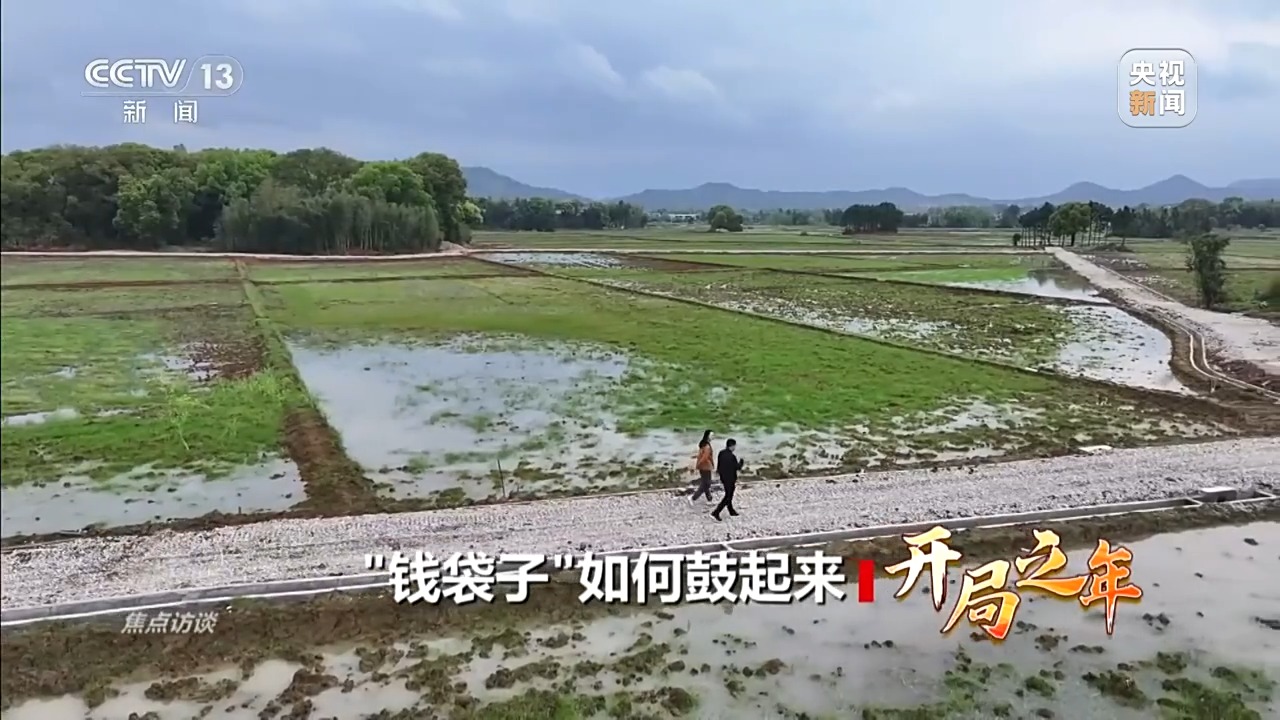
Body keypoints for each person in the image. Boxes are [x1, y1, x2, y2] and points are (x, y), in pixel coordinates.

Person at [712, 438, 744, 521]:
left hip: (723, 478)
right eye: (734, 446)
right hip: (730, 478)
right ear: (732, 446)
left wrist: (719, 473)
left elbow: (719, 465)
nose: (735, 448)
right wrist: (741, 462)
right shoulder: (732, 457)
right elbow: (737, 467)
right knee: (728, 496)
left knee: (728, 494)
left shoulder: (721, 453)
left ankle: (731, 510)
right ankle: (716, 512)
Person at [691, 430, 716, 503]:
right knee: (706, 484)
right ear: (707, 436)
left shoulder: (703, 445)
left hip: (703, 466)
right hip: (706, 467)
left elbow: (701, 455)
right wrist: (700, 464)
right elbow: (705, 457)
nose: (713, 437)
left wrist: (698, 464)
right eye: (711, 435)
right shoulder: (707, 446)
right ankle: (694, 498)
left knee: (705, 483)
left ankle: (709, 499)